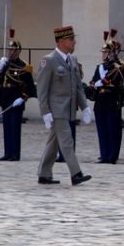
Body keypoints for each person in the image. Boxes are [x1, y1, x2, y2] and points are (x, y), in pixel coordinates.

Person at [36, 25, 93, 186]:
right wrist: (45, 111)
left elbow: (78, 86)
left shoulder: (72, 59)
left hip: (69, 109)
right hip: (57, 110)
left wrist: (85, 107)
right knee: (67, 142)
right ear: (61, 41)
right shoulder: (49, 60)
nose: (74, 42)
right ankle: (76, 174)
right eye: (71, 39)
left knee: (53, 142)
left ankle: (44, 173)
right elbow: (42, 89)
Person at [0, 28, 35, 161]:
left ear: (18, 51)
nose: (10, 52)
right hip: (5, 97)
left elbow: (29, 86)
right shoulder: (6, 63)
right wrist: (0, 70)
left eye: (12, 50)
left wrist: (23, 98)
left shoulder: (25, 66)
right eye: (9, 50)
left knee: (15, 127)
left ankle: (15, 154)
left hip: (16, 97)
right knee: (6, 127)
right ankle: (7, 152)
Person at [89, 29, 124, 164]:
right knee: (102, 129)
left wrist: (100, 83)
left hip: (112, 100)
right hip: (100, 100)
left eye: (106, 52)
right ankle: (104, 154)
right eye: (103, 52)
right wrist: (95, 83)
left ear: (113, 52)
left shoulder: (119, 65)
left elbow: (115, 79)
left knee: (113, 129)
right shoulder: (100, 67)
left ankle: (112, 155)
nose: (104, 54)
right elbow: (94, 81)